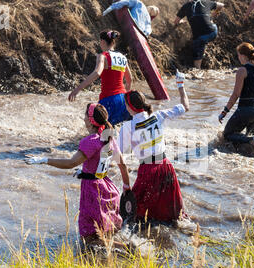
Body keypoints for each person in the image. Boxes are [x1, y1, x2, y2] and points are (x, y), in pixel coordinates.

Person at [25, 103, 131, 245]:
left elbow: (70, 163)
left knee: (89, 239)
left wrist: (44, 160)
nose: (83, 118)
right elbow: (122, 165)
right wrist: (126, 187)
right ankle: (124, 251)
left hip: (93, 192)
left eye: (85, 115)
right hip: (109, 190)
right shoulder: (109, 137)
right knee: (106, 233)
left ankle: (129, 248)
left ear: (90, 120)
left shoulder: (90, 141)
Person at [117, 70, 190, 223]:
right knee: (172, 215)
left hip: (148, 171)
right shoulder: (158, 116)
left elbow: (117, 154)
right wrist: (180, 84)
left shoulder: (128, 126)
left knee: (132, 215)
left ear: (129, 107)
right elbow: (185, 106)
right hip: (165, 166)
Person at [218, 42, 254, 153]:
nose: (238, 58)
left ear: (244, 56)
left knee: (227, 135)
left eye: (238, 55)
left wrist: (225, 111)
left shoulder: (242, 71)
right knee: (250, 147)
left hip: (246, 111)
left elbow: (236, 94)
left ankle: (250, 139)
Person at [68, 30, 132, 126]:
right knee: (122, 132)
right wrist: (124, 98)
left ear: (102, 41)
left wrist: (77, 89)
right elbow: (130, 79)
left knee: (101, 133)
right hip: (123, 99)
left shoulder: (103, 56)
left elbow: (97, 72)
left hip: (108, 100)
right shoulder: (122, 57)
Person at [174, 0, 224, 69]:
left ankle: (198, 70)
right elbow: (221, 5)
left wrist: (181, 21)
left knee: (197, 61)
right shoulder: (206, 2)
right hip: (212, 32)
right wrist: (214, 13)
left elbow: (176, 22)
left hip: (199, 37)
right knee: (208, 26)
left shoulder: (185, 6)